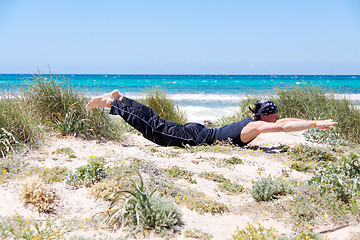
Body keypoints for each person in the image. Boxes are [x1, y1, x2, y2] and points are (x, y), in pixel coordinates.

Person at [86, 90, 338, 148]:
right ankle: (114, 102)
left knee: (158, 122)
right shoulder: (256, 127)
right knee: (156, 131)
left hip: (200, 131)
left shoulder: (254, 122)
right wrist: (316, 124)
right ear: (268, 116)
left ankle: (122, 100)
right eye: (276, 114)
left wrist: (310, 120)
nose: (280, 117)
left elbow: (283, 120)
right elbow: (283, 126)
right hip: (197, 137)